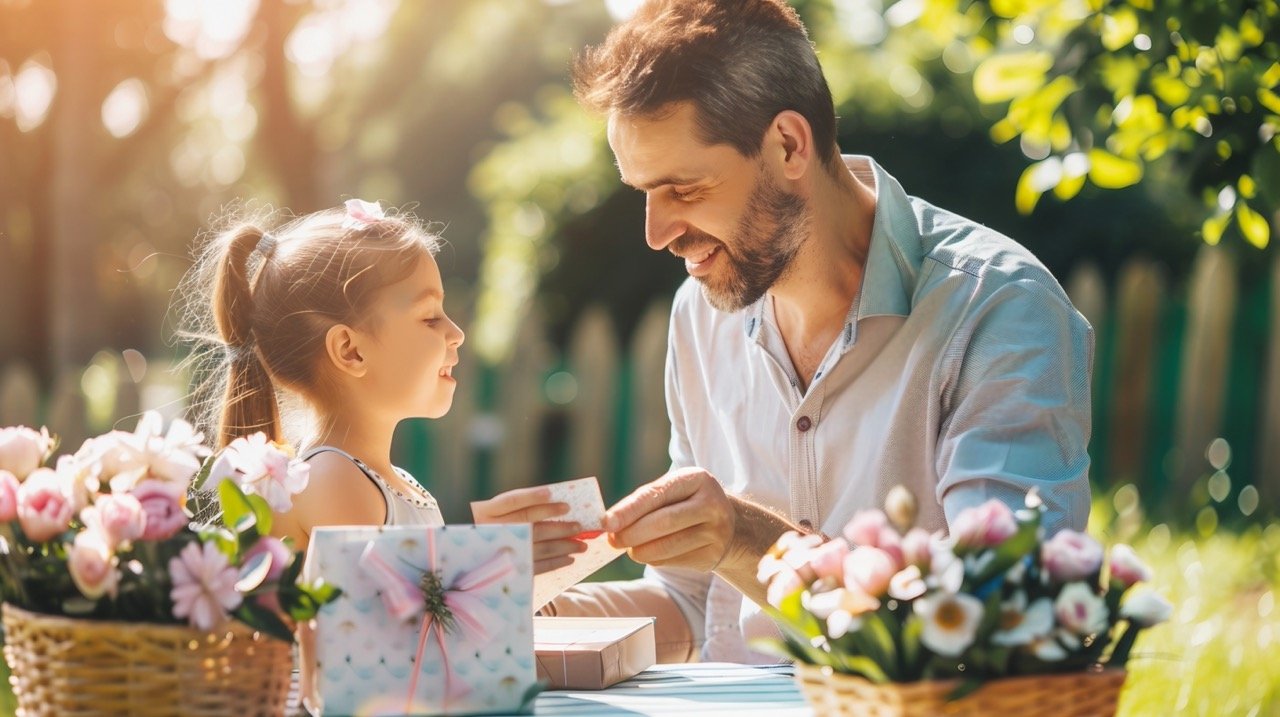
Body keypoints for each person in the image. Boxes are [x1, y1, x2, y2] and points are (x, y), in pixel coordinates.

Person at [534, 0, 1094, 663]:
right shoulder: (699, 316)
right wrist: (500, 612)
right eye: (643, 194)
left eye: (682, 189)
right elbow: (688, 605)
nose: (656, 234)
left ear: (789, 145)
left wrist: (749, 539)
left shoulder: (997, 311)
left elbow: (994, 618)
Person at [183, 199, 585, 569]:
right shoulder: (332, 479)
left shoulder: (392, 482)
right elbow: (395, 635)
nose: (457, 332)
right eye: (430, 317)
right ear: (350, 350)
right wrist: (492, 568)